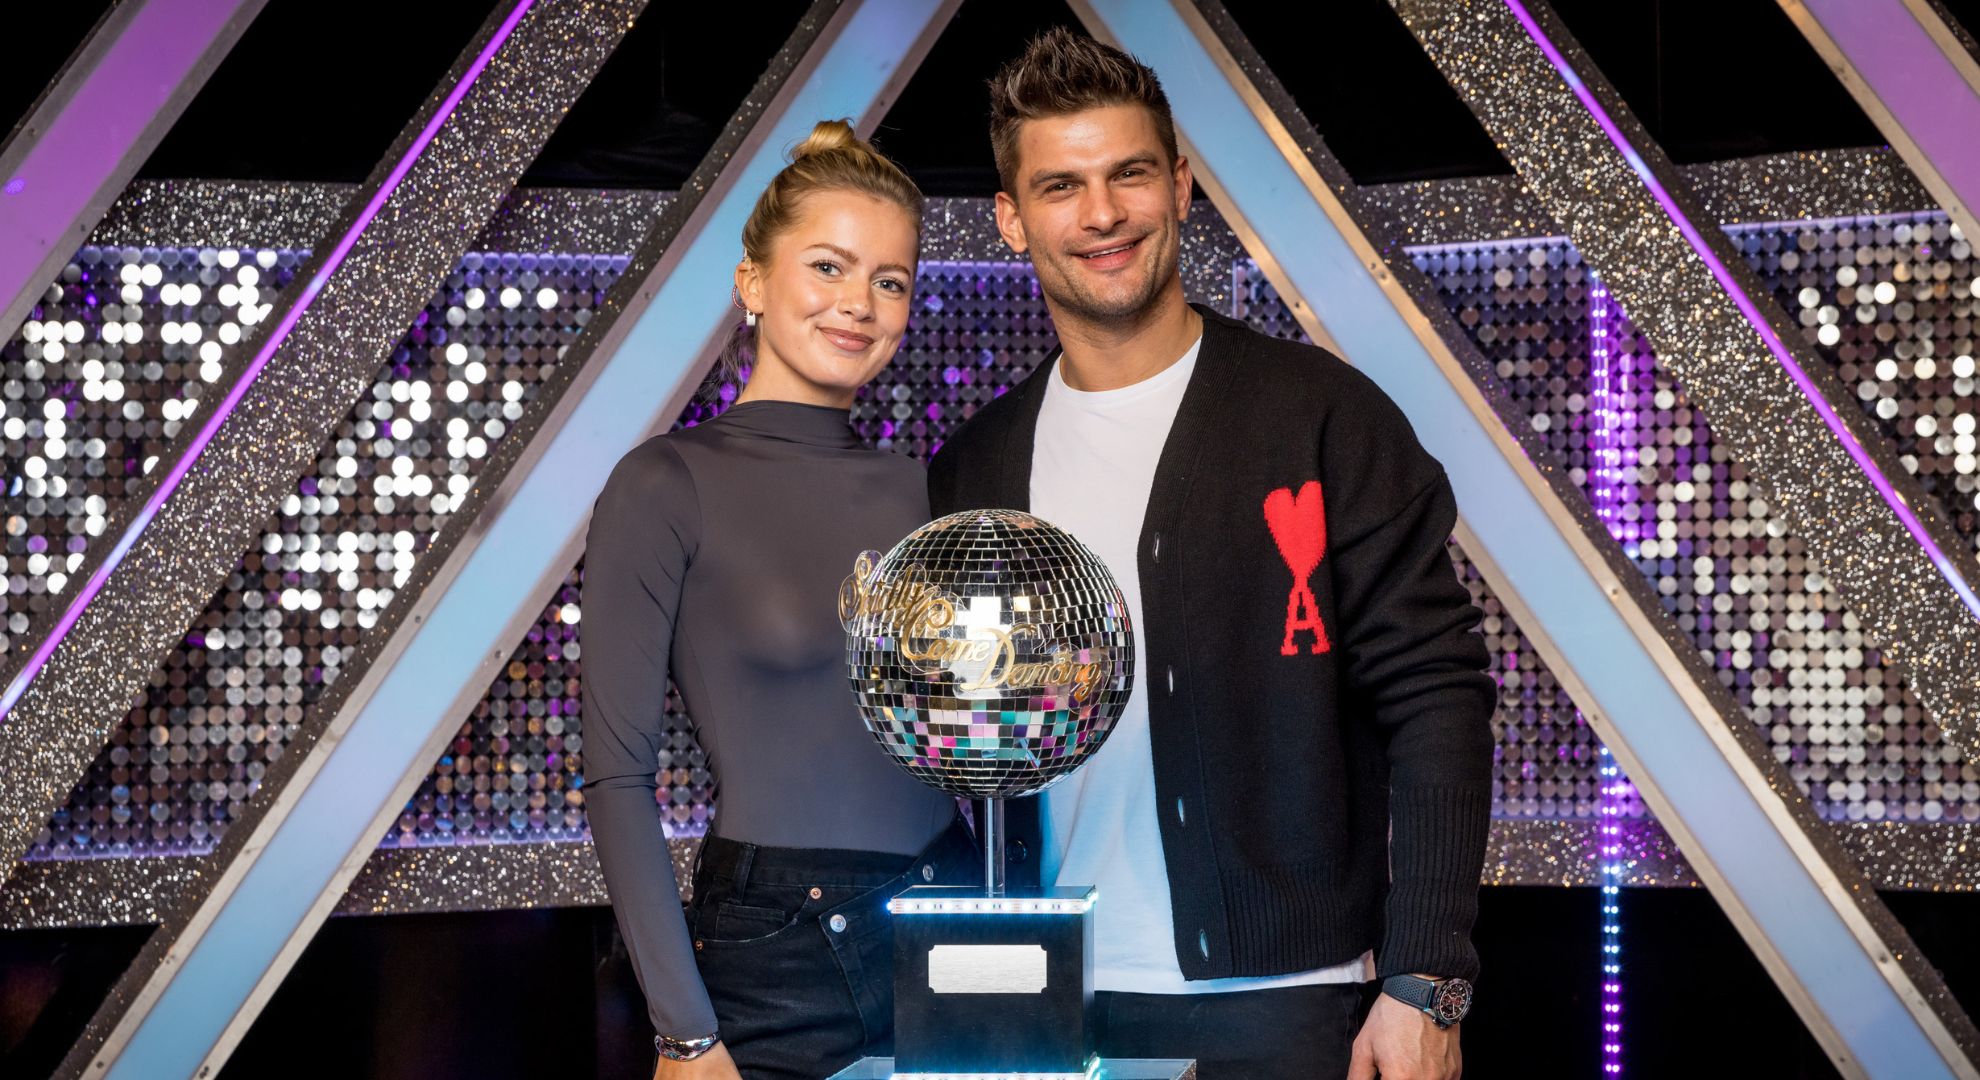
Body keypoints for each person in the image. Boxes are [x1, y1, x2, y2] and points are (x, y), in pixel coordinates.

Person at [926, 29, 1496, 1080]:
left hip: (1298, 1009)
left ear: (1181, 186)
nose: (1101, 214)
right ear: (1011, 218)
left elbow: (1438, 694)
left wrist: (1425, 976)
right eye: (1060, 186)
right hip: (1056, 1010)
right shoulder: (976, 469)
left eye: (1129, 174)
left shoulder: (1320, 415)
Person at [582, 119, 973, 1080]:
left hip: (953, 919)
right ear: (752, 282)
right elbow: (615, 779)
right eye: (829, 268)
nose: (861, 304)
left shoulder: (934, 488)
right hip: (776, 957)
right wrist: (685, 1028)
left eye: (890, 280)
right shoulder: (664, 481)